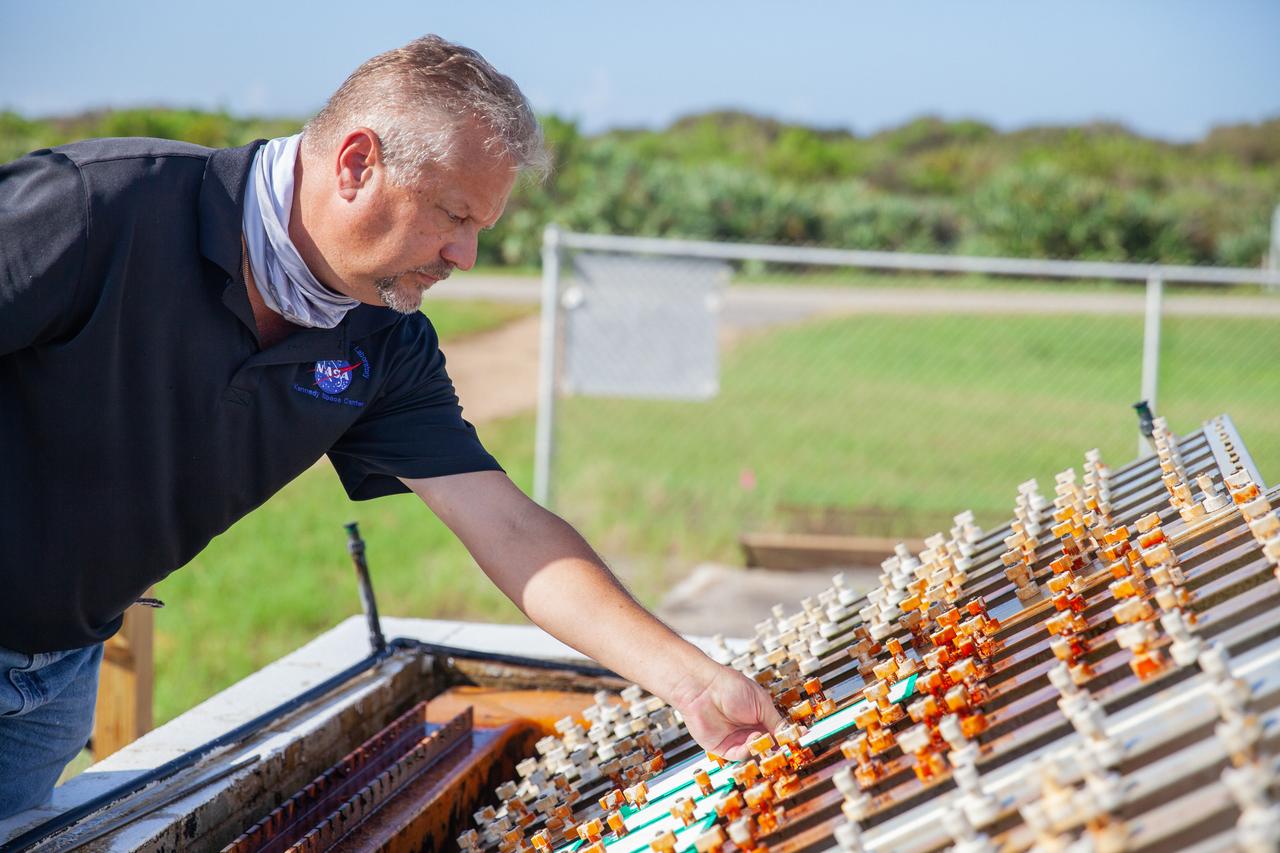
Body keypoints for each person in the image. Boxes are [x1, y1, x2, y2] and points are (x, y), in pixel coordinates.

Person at [0, 35, 783, 819]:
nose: (466, 254)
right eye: (454, 214)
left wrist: (691, 678)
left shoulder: (385, 339)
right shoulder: (95, 208)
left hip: (61, 670)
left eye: (480, 226)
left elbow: (509, 527)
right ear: (356, 163)